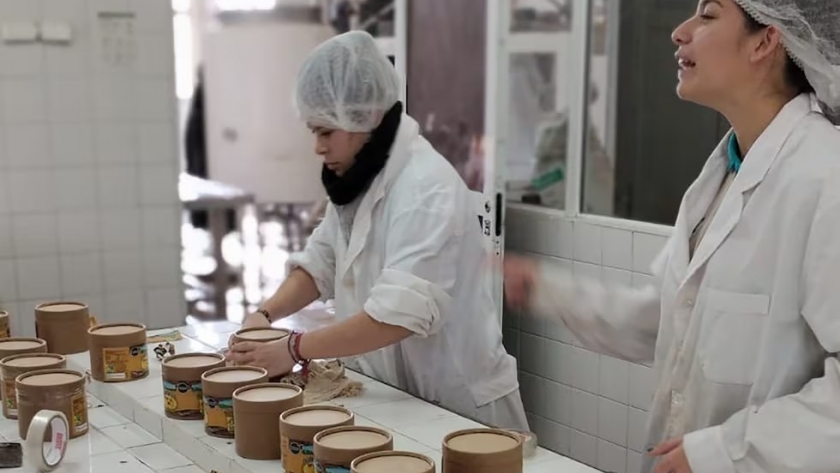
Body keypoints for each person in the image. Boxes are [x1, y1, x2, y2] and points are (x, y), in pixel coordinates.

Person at [505, 1, 840, 472]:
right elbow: (665, 320)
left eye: (707, 15)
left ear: (766, 40)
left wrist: (723, 452)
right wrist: (544, 289)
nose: (679, 33)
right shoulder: (721, 175)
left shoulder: (826, 178)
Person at [227, 30, 528, 432]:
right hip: (397, 396)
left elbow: (397, 317)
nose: (316, 147)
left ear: (364, 117)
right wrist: (264, 315)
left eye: (324, 132)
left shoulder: (425, 188)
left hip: (457, 407)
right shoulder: (362, 177)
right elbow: (322, 262)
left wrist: (293, 348)